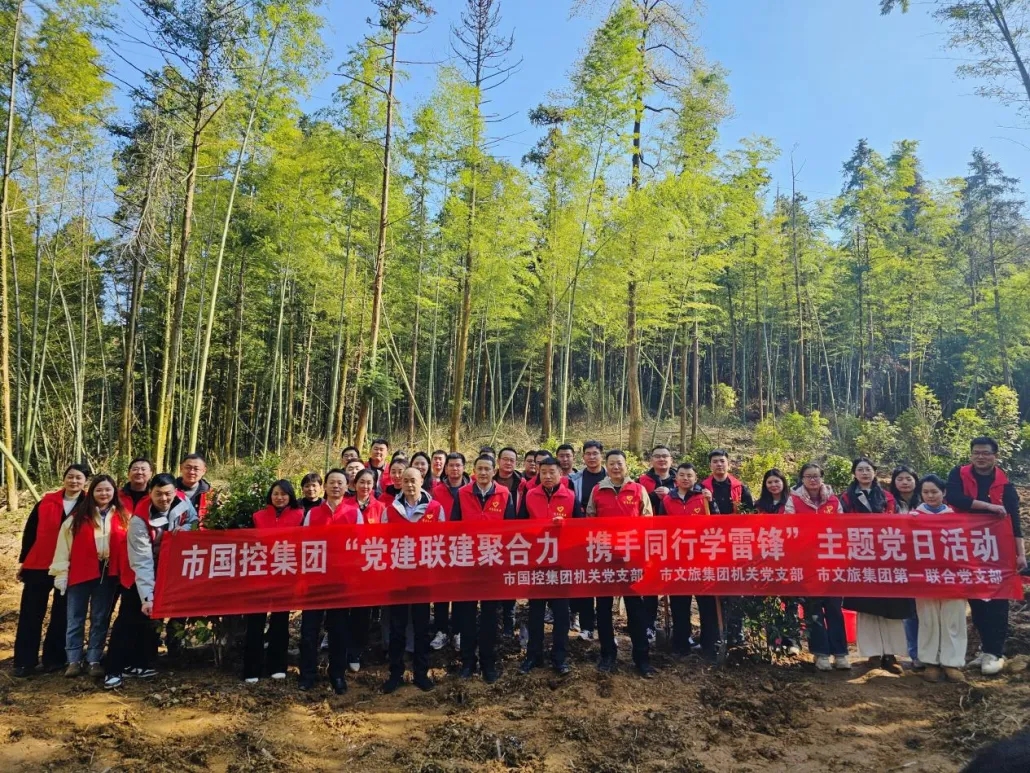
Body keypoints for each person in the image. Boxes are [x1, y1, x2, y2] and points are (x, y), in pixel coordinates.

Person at [105, 473, 198, 689]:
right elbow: (142, 561)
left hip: (167, 570)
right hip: (137, 572)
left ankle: (139, 663)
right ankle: (113, 668)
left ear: (175, 492)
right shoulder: (139, 520)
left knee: (150, 622)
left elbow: (194, 521)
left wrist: (184, 529)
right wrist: (147, 596)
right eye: (158, 494)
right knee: (130, 618)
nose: (164, 499)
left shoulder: (183, 501)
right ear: (149, 493)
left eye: (168, 494)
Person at [946, 436, 1027, 676]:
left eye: (986, 453)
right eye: (977, 453)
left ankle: (995, 652)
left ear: (995, 456)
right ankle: (985, 649)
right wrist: (989, 507)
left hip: (998, 550)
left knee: (998, 598)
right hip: (967, 547)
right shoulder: (958, 474)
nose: (981, 457)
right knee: (976, 597)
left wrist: (1020, 554)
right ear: (971, 454)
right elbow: (955, 499)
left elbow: (1014, 520)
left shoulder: (1005, 485)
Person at [13, 463, 89, 678]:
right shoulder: (46, 502)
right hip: (39, 564)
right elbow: (30, 532)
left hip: (70, 566)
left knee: (62, 613)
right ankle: (24, 661)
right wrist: (24, 561)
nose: (74, 481)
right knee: (31, 612)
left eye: (79, 478)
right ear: (64, 478)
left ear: (85, 482)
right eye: (70, 476)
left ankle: (53, 658)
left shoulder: (88, 504)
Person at [586, 449, 655, 677]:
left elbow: (648, 521)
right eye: (612, 463)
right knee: (603, 608)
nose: (616, 467)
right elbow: (589, 520)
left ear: (627, 466)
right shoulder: (597, 490)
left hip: (631, 559)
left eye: (620, 463)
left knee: (636, 609)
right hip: (605, 558)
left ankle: (642, 658)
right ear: (606, 466)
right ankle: (607, 654)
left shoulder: (638, 489)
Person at [50, 474, 126, 678]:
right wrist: (61, 573)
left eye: (108, 490)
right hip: (80, 572)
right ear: (91, 493)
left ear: (114, 492)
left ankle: (94, 659)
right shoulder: (77, 518)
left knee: (100, 617)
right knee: (75, 617)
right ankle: (73, 660)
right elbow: (63, 548)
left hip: (107, 574)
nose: (104, 493)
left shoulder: (122, 516)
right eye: (99, 490)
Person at [841, 457, 912, 675]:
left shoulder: (887, 497)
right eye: (860, 470)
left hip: (887, 555)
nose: (864, 473)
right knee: (867, 607)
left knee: (890, 605)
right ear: (854, 474)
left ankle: (891, 655)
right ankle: (872, 654)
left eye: (868, 469)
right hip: (860, 555)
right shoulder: (846, 497)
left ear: (874, 472)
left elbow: (896, 523)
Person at [381, 466, 444, 694]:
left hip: (423, 577)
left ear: (421, 481)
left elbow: (442, 540)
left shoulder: (435, 508)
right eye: (405, 480)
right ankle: (395, 673)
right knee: (397, 627)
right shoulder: (390, 510)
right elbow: (382, 542)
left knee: (421, 627)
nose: (409, 484)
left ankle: (421, 673)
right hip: (398, 576)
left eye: (413, 480)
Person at [455, 455, 515, 683]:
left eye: (487, 469)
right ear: (473, 471)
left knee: (490, 615)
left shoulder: (504, 494)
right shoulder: (462, 493)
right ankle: (467, 661)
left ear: (493, 471)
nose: (483, 473)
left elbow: (511, 529)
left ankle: (488, 662)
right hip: (468, 563)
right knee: (467, 614)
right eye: (479, 468)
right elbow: (453, 527)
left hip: (493, 562)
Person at [517, 456, 580, 676]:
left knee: (561, 614)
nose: (547, 476)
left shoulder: (570, 497)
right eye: (543, 472)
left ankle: (559, 658)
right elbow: (519, 526)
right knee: (535, 612)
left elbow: (581, 527)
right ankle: (533, 656)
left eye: (552, 472)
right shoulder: (530, 495)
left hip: (561, 563)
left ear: (560, 474)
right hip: (537, 562)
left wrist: (566, 526)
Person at [785, 463, 850, 672]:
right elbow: (788, 528)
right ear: (802, 479)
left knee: (834, 609)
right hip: (807, 564)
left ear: (822, 478)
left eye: (816, 476)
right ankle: (820, 653)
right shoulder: (794, 500)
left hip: (831, 563)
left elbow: (842, 527)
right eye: (808, 476)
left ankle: (840, 653)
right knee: (813, 609)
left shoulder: (833, 500)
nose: (813, 480)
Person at [243, 480, 304, 684]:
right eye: (276, 493)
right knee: (255, 622)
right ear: (270, 495)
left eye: (284, 494)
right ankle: (252, 668)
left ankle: (277, 665)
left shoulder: (300, 515)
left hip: (285, 575)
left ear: (290, 496)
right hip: (260, 576)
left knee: (280, 622)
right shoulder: (258, 516)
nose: (279, 497)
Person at [299, 469, 351, 694]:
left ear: (346, 487)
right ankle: (307, 675)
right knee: (309, 630)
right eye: (332, 482)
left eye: (340, 483)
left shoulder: (353, 513)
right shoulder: (312, 514)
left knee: (338, 631)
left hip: (340, 581)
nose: (336, 486)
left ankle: (337, 674)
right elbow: (304, 544)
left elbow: (359, 545)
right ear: (325, 487)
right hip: (315, 580)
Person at [912, 474, 967, 684]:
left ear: (943, 492)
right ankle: (931, 662)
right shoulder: (912, 517)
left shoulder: (958, 517)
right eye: (925, 492)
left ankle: (952, 663)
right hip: (925, 576)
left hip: (953, 576)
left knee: (954, 619)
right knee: (928, 620)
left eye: (934, 491)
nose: (930, 496)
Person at [660, 463, 714, 658]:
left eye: (689, 475)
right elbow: (661, 527)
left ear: (695, 478)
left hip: (702, 558)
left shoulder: (704, 497)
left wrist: (712, 503)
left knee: (706, 604)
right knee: (680, 604)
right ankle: (681, 643)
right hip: (677, 559)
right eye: (682, 475)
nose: (685, 478)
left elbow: (717, 523)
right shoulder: (668, 500)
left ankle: (709, 644)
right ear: (676, 478)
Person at [755, 469, 799, 656]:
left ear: (783, 482)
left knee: (790, 599)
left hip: (789, 556)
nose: (773, 485)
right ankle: (774, 639)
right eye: (770, 482)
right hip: (766, 557)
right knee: (770, 599)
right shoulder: (759, 505)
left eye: (777, 481)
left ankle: (793, 641)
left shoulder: (793, 502)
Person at [430, 452, 468, 651]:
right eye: (451, 465)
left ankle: (459, 631)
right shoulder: (436, 491)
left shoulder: (470, 490)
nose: (454, 469)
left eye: (458, 465)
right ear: (445, 468)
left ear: (464, 468)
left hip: (464, 545)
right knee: (441, 590)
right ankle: (441, 630)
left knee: (461, 591)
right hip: (441, 546)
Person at [638, 445, 675, 643]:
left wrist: (671, 493)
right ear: (651, 460)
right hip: (649, 537)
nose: (661, 460)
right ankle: (648, 625)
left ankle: (680, 627)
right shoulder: (642, 481)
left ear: (671, 459)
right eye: (657, 456)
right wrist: (653, 496)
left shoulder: (680, 478)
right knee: (650, 583)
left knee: (676, 582)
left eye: (665, 456)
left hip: (676, 539)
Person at [569, 440, 606, 642]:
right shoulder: (574, 480)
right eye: (588, 454)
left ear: (601, 455)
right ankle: (586, 626)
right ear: (583, 457)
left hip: (607, 539)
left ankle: (605, 627)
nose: (592, 457)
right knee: (585, 581)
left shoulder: (611, 477)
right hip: (581, 537)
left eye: (595, 453)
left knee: (604, 584)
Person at [890, 465, 922, 669]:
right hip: (899, 561)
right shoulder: (889, 503)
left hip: (924, 561)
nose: (904, 482)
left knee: (925, 609)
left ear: (915, 481)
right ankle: (915, 653)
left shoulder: (926, 501)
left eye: (908, 478)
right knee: (908, 610)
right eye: (900, 479)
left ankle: (931, 652)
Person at [702, 449, 754, 514]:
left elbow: (750, 513)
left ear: (728, 465)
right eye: (715, 462)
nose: (719, 464)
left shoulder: (741, 488)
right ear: (710, 466)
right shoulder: (703, 487)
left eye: (722, 461)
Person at [176, 453, 211, 521]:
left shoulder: (209, 494)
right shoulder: (169, 490)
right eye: (188, 468)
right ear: (181, 468)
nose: (191, 472)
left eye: (196, 469)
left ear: (204, 471)